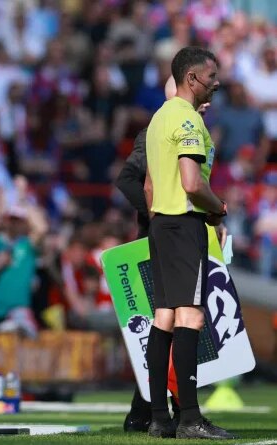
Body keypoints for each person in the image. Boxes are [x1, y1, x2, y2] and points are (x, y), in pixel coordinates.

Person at [144, 46, 233, 440]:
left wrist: (159, 218)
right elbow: (193, 183)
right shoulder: (188, 123)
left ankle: (159, 418)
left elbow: (149, 184)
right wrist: (219, 210)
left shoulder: (160, 117)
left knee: (163, 317)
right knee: (190, 317)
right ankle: (191, 417)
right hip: (184, 222)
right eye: (212, 75)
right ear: (193, 78)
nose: (217, 82)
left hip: (162, 223)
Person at [116, 75, 209, 433]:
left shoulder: (184, 124)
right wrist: (157, 213)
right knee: (179, 318)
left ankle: (152, 414)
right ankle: (173, 412)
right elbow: (129, 179)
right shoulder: (164, 127)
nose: (211, 93)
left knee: (167, 319)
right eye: (207, 82)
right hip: (169, 232)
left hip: (174, 230)